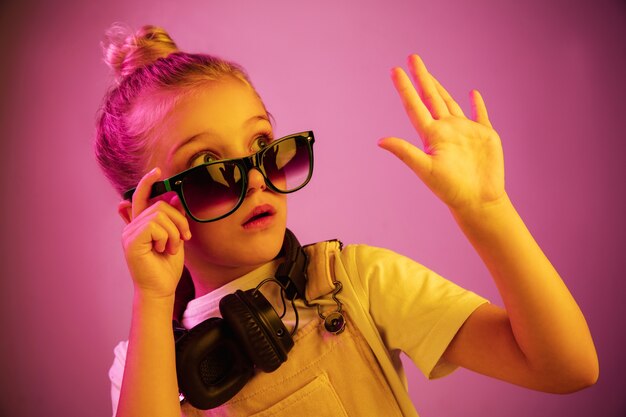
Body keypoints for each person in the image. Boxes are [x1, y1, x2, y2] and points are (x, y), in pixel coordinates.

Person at [96, 24, 598, 417]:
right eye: (209, 169)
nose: (255, 180)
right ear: (141, 213)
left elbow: (566, 367)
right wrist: (153, 298)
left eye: (263, 147)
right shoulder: (144, 363)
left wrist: (488, 212)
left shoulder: (358, 282)